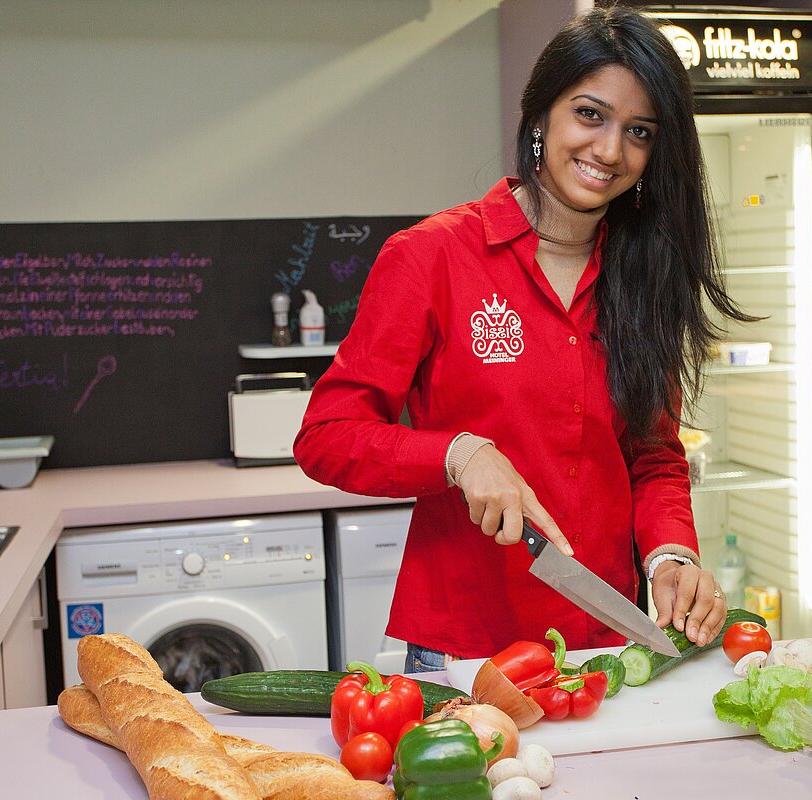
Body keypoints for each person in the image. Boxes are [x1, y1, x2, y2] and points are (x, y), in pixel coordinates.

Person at [294, 6, 755, 673]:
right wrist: (457, 453)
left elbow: (653, 456)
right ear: (540, 117)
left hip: (604, 639)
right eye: (589, 115)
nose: (609, 150)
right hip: (463, 647)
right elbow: (326, 436)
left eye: (640, 131)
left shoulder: (644, 275)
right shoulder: (431, 257)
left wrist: (671, 554)